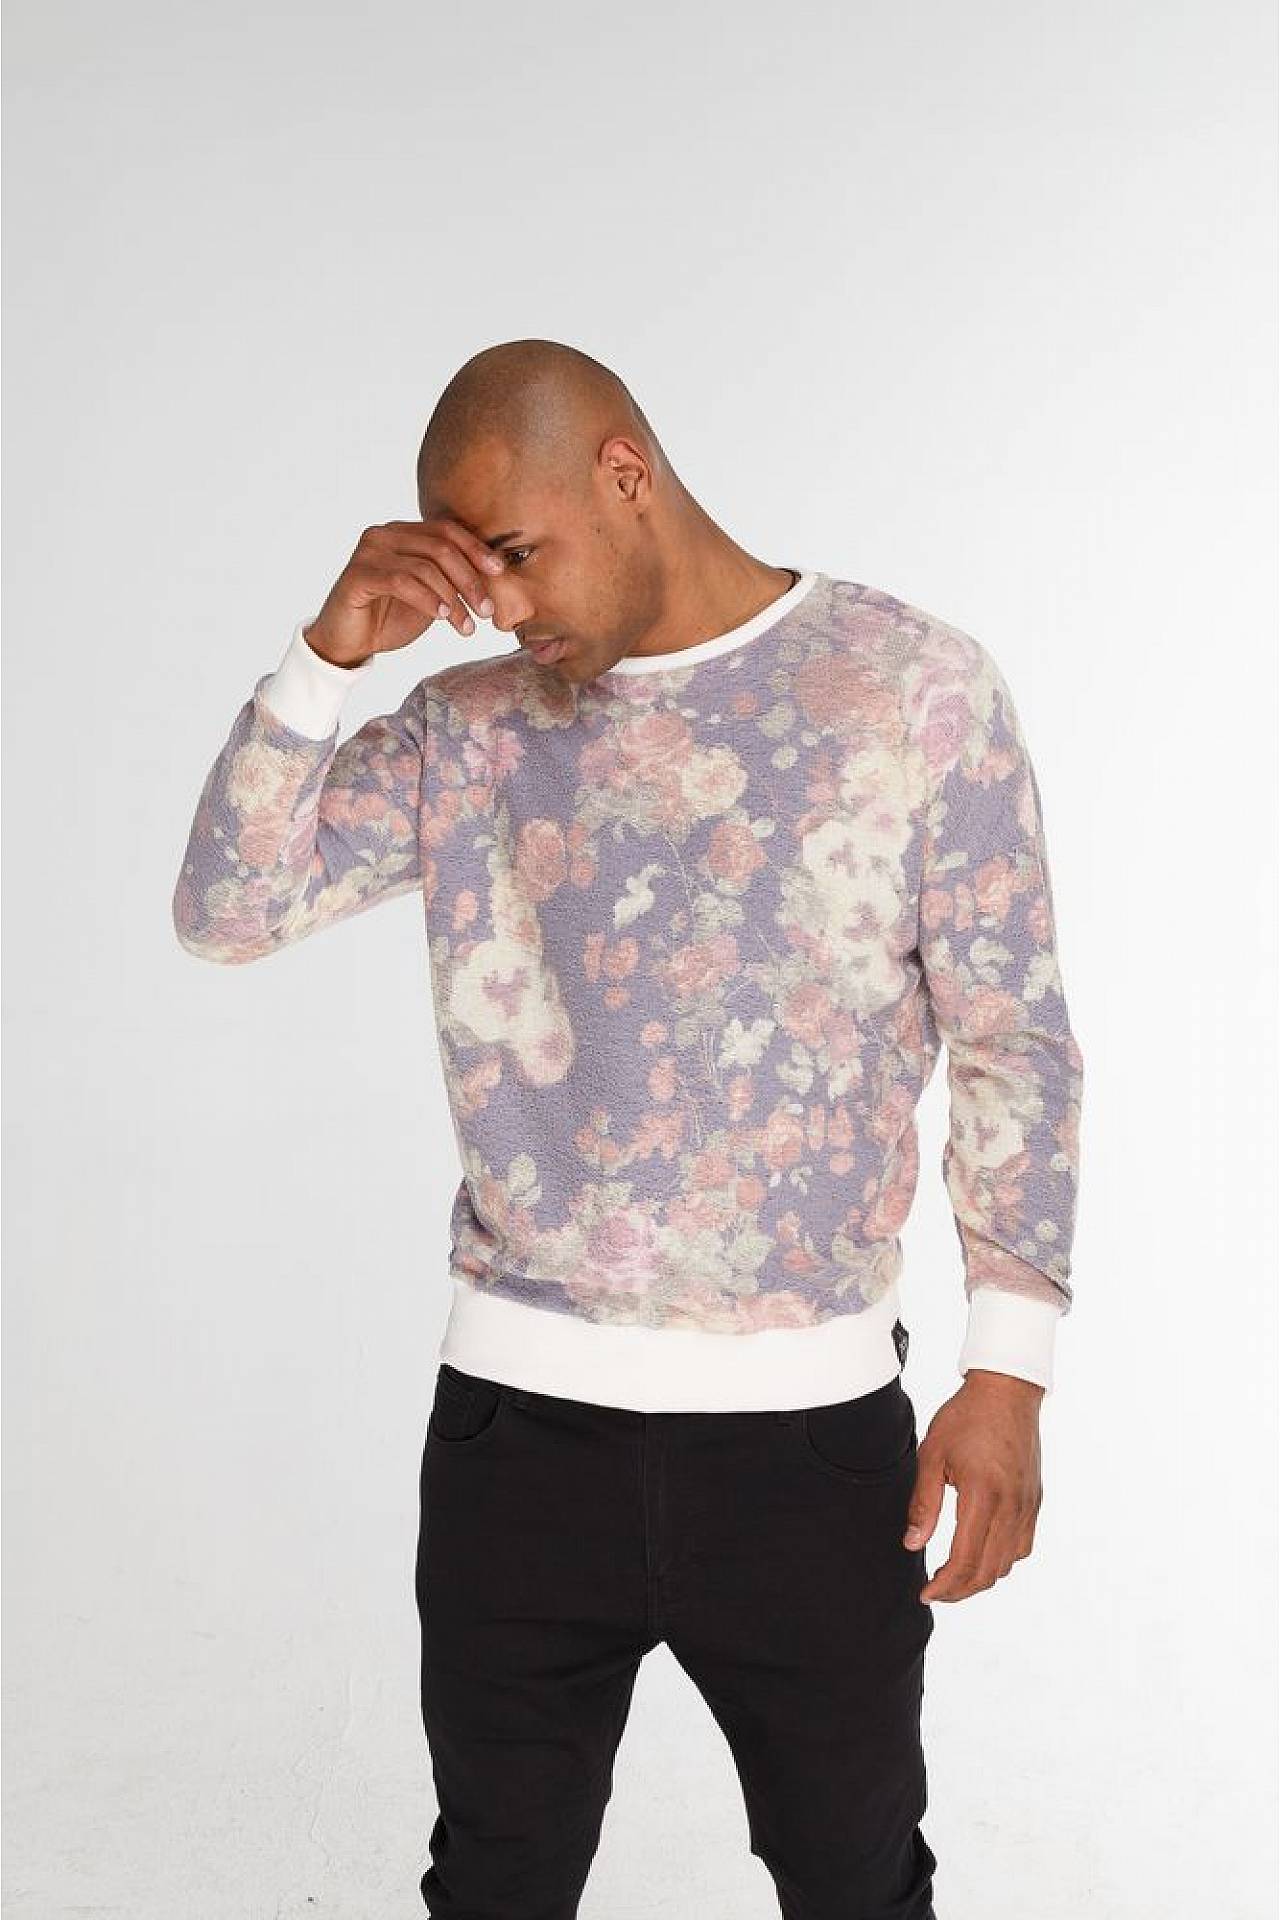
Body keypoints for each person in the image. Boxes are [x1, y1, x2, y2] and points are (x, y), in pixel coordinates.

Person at [172, 337, 1083, 1919]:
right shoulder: (471, 726)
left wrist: (1007, 1374)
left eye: (516, 555)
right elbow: (227, 909)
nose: (500, 609)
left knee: (859, 1885)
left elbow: (1013, 1038)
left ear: (625, 474)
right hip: (517, 1443)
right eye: (472, 574)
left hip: (811, 1451)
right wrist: (326, 659)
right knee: (497, 1886)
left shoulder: (912, 689)